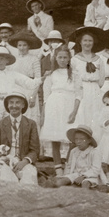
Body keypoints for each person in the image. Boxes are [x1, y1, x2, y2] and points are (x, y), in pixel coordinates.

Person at [40, 46, 80, 176]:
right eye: (60, 57)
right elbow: (46, 96)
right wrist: (44, 113)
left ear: (69, 59)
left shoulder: (75, 74)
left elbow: (79, 95)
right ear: (55, 59)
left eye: (65, 57)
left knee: (71, 136)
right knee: (55, 136)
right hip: (54, 105)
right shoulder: (51, 74)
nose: (63, 60)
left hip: (69, 105)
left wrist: (74, 112)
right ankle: (58, 168)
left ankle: (68, 166)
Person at [69, 27, 106, 138]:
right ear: (80, 42)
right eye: (85, 40)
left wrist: (95, 87)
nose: (87, 43)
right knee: (82, 114)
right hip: (81, 90)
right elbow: (72, 78)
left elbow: (102, 79)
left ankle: (96, 141)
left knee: (96, 114)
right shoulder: (74, 59)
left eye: (90, 41)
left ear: (93, 42)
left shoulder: (99, 59)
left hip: (95, 90)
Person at [10, 31, 42, 129]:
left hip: (29, 91)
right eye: (20, 45)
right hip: (16, 91)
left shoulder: (34, 59)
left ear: (28, 46)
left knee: (29, 116)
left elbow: (38, 79)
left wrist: (33, 96)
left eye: (24, 45)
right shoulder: (13, 59)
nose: (22, 48)